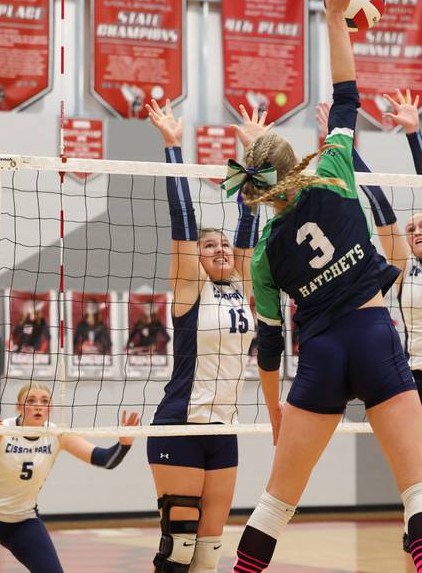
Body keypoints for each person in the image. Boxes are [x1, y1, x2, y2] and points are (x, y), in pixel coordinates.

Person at [228, 0, 422, 573]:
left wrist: (275, 412)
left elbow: (269, 345)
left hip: (320, 358)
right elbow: (347, 94)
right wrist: (330, 16)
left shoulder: (268, 252)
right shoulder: (333, 166)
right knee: (420, 490)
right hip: (375, 337)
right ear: (295, 155)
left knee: (274, 504)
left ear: (256, 186)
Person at [316, 89, 422, 572]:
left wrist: (415, 135)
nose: (418, 229)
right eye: (413, 229)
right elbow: (379, 205)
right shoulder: (396, 272)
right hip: (420, 389)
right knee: (420, 502)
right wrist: (345, 146)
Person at [143, 96, 261, 573]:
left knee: (210, 553)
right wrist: (174, 147)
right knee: (180, 549)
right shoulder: (190, 289)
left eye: (223, 245)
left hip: (225, 428)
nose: (220, 249)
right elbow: (183, 222)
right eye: (209, 245)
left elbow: (250, 217)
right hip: (180, 423)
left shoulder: (245, 286)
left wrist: (253, 154)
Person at [0, 382, 138, 573]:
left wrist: (124, 445)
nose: (38, 405)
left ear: (50, 408)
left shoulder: (57, 434)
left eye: (44, 401)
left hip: (23, 519)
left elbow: (106, 460)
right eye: (31, 400)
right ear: (19, 407)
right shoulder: (2, 429)